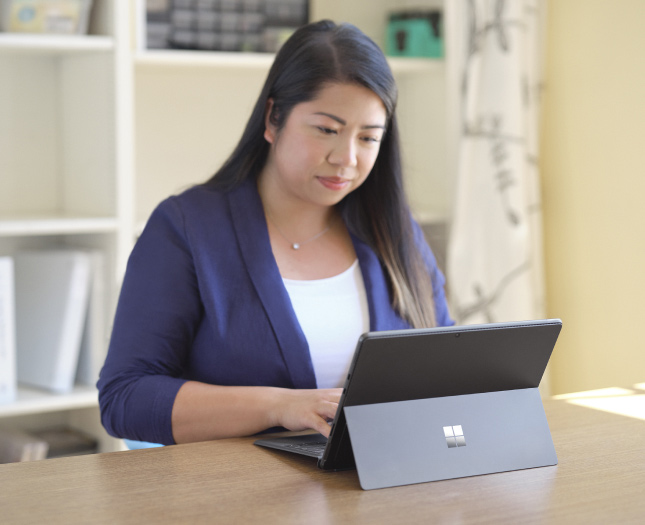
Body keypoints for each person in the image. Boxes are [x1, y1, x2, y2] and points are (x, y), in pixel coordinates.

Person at [98, 20, 453, 447]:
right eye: (327, 129)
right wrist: (279, 406)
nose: (346, 158)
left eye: (368, 138)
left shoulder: (394, 232)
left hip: (383, 495)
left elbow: (447, 373)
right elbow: (125, 398)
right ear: (273, 118)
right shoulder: (187, 228)